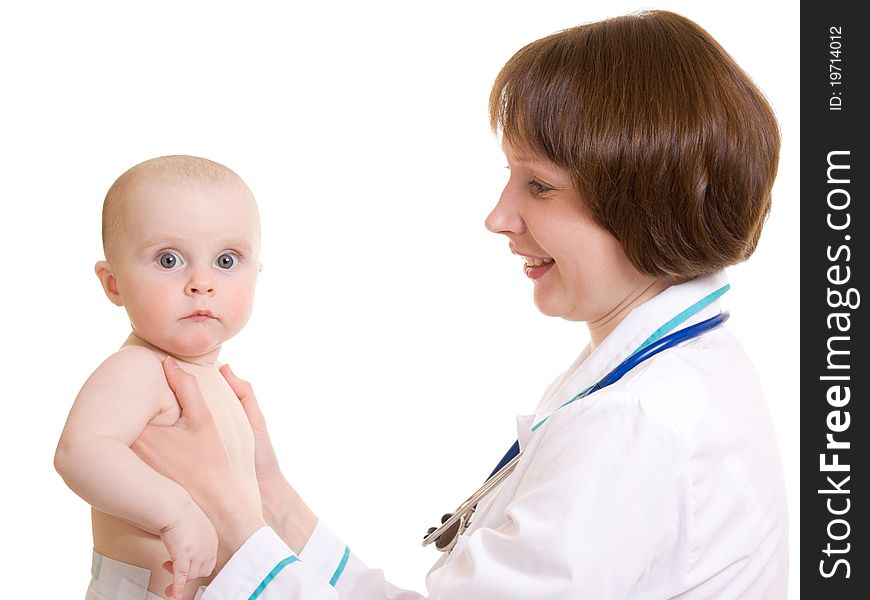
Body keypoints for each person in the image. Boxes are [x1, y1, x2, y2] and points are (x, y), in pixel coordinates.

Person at [133, 10, 788, 599]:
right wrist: (268, 498)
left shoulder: (637, 422)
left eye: (538, 184)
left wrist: (230, 516)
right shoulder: (674, 375)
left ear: (645, 196)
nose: (499, 216)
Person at [54, 155, 264, 600]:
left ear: (257, 273)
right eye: (169, 259)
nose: (201, 282)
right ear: (113, 284)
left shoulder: (217, 381)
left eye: (227, 260)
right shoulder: (140, 369)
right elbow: (79, 451)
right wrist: (175, 513)